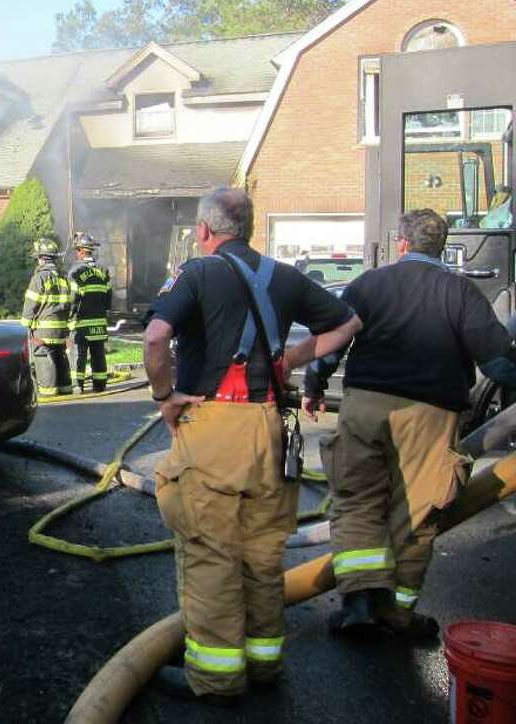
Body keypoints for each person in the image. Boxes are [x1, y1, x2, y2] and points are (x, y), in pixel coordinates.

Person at [143, 188, 360, 705]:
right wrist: (289, 360)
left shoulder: (196, 272)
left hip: (214, 427)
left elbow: (154, 339)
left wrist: (165, 396)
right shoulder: (284, 276)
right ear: (249, 227)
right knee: (263, 556)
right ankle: (265, 664)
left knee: (212, 553)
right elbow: (348, 322)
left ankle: (217, 679)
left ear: (202, 230)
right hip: (270, 427)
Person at [304, 208, 516, 640]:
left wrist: (315, 383)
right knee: (418, 513)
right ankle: (398, 616)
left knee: (358, 500)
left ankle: (360, 603)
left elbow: (332, 343)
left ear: (401, 243)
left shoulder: (368, 284)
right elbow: (496, 362)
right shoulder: (461, 292)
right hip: (430, 416)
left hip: (365, 406)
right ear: (442, 247)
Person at [21, 237, 73, 399]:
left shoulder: (39, 278)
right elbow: (69, 303)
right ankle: (65, 387)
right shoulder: (63, 278)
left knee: (43, 355)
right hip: (60, 329)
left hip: (43, 330)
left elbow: (30, 305)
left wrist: (26, 327)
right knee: (59, 355)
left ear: (42, 258)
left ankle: (48, 391)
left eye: (37, 258)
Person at [67, 232, 111, 393]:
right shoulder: (103, 271)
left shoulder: (75, 272)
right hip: (99, 322)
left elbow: (73, 299)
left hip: (81, 323)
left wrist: (69, 320)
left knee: (79, 355)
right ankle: (100, 385)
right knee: (98, 354)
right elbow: (108, 299)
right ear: (91, 251)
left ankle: (77, 385)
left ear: (80, 251)